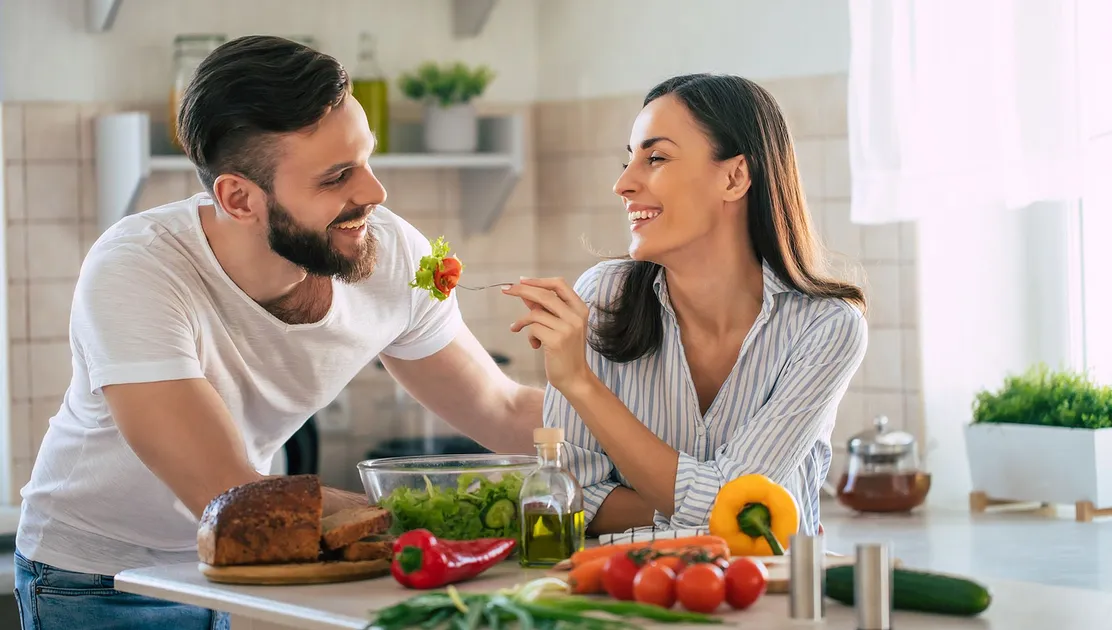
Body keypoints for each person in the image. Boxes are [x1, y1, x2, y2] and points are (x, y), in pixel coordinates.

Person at [13, 36, 542, 630]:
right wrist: (429, 515)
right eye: (337, 176)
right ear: (238, 198)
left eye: (366, 159)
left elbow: (502, 408)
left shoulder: (387, 252)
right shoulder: (138, 267)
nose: (373, 192)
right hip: (100, 579)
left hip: (249, 568)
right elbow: (226, 492)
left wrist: (643, 439)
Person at [503, 73, 867, 538]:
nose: (622, 184)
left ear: (734, 177)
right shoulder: (600, 298)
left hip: (768, 598)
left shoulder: (827, 327)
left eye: (655, 157)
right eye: (628, 160)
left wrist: (580, 383)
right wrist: (705, 511)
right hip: (627, 594)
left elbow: (734, 503)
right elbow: (571, 497)